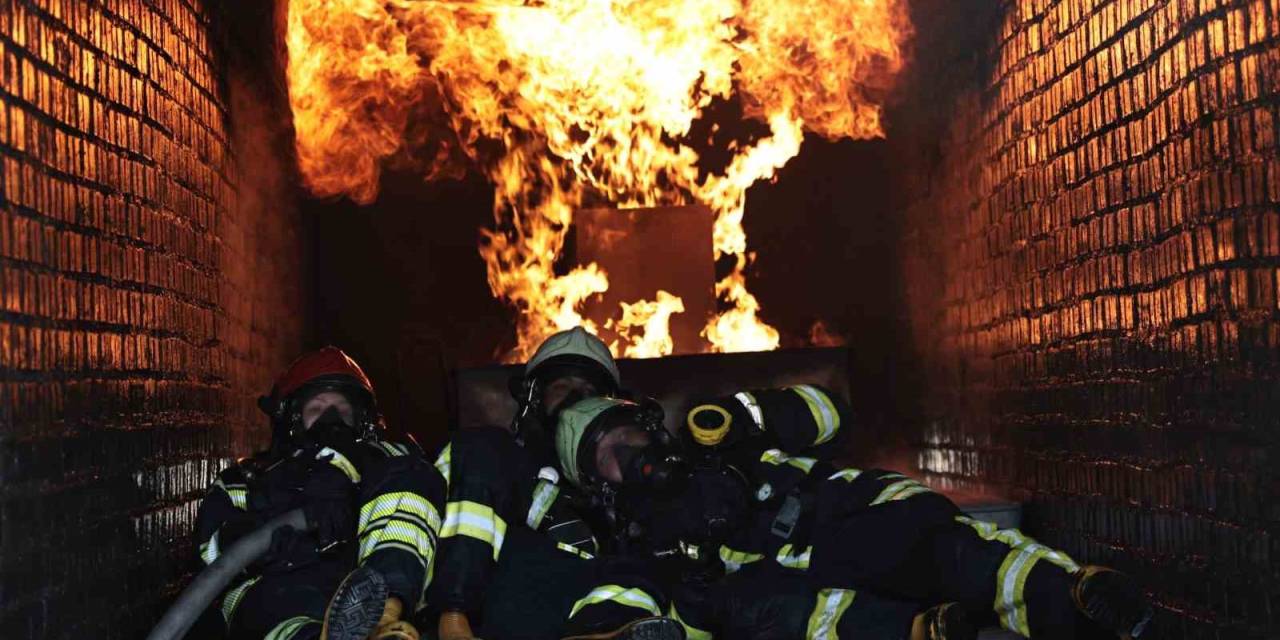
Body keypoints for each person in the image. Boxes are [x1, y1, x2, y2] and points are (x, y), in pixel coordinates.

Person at [553, 387, 1155, 639]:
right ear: (596, 486)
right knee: (785, 612)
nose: (628, 455)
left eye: (627, 433)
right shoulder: (638, 544)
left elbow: (830, 412)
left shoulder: (722, 439)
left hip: (853, 515)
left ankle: (1073, 599)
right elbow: (624, 603)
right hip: (796, 583)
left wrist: (748, 413)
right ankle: (922, 631)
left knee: (939, 544)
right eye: (607, 457)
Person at [429, 327, 684, 640]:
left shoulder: (624, 487)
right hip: (490, 603)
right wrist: (454, 613)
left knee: (640, 564)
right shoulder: (493, 455)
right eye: (562, 386)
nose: (575, 399)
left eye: (590, 391)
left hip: (576, 614)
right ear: (533, 396)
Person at [194, 347, 444, 640]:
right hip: (276, 588)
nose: (331, 418)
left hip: (368, 582)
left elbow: (419, 494)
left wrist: (350, 487)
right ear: (291, 416)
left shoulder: (391, 460)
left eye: (343, 408)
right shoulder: (247, 479)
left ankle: (385, 618)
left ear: (362, 418)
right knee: (276, 606)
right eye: (317, 408)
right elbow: (209, 553)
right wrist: (270, 536)